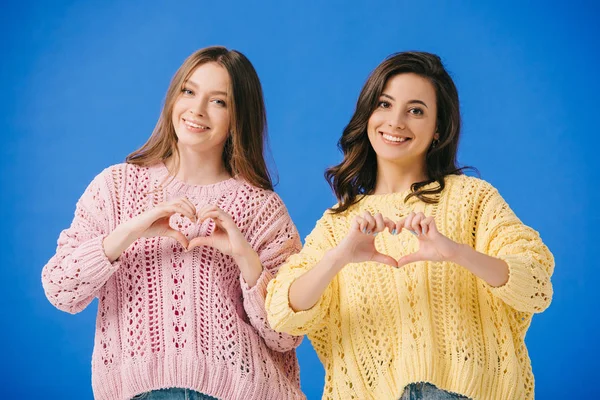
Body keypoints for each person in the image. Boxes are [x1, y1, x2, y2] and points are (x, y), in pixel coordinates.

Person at [266, 51, 554, 400]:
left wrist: (457, 252)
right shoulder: (339, 223)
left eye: (416, 110)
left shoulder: (471, 197)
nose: (396, 121)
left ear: (438, 130)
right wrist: (339, 257)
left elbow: (535, 282)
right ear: (368, 114)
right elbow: (283, 313)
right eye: (384, 105)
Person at [42, 46, 305, 400]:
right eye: (189, 91)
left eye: (219, 102)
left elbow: (287, 335)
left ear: (238, 117)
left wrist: (247, 259)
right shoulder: (115, 187)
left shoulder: (262, 208)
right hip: (140, 392)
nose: (196, 110)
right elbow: (60, 290)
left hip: (241, 391)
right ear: (173, 97)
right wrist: (127, 233)